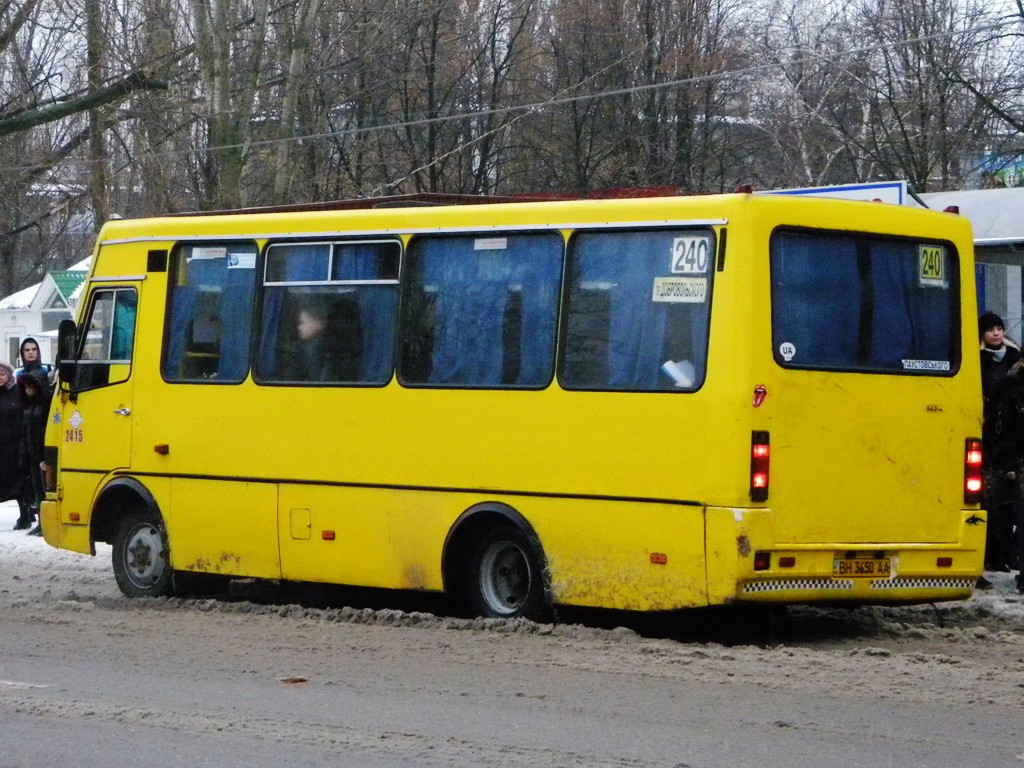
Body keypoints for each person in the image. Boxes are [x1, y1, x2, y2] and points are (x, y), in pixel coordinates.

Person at [978, 312, 1022, 587]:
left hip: (1008, 439)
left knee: (1008, 503)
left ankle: (1006, 554)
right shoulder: (977, 359)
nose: (995, 333)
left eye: (999, 328)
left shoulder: (1013, 357)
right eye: (990, 329)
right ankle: (991, 555)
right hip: (989, 434)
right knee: (989, 499)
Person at [18, 368, 53, 537]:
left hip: (43, 455)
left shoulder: (46, 405)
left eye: (31, 385)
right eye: (26, 386)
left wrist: (46, 456)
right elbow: (25, 432)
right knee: (38, 489)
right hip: (32, 454)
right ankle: (41, 522)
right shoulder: (29, 405)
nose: (28, 389)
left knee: (45, 489)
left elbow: (49, 431)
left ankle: (47, 523)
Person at [0, 362, 28, 529]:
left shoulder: (17, 392)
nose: (0, 377)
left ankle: (25, 514)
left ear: (9, 375)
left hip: (15, 445)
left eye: (2, 374)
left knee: (18, 483)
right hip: (1, 446)